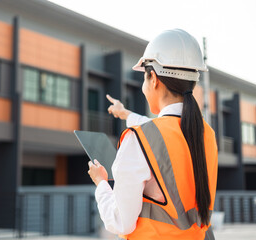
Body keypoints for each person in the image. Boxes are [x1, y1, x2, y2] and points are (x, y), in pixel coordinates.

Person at [87, 29, 218, 240]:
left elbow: (120, 222)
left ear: (154, 78)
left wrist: (101, 183)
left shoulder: (139, 139)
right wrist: (126, 114)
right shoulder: (206, 134)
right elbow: (163, 136)